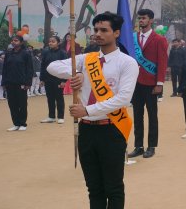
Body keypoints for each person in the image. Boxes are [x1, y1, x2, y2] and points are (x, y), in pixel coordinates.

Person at [47, 12, 139, 208]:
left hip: (112, 129)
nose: (98, 33)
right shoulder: (85, 59)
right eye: (96, 29)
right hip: (87, 131)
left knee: (113, 187)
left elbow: (123, 98)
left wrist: (87, 110)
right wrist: (76, 72)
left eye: (103, 30)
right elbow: (52, 67)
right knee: (93, 188)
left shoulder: (127, 63)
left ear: (116, 33)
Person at [127, 9, 168, 160]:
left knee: (152, 115)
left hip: (151, 83)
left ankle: (151, 146)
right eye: (139, 18)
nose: (141, 21)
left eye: (143, 18)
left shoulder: (159, 39)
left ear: (151, 20)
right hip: (136, 83)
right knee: (137, 115)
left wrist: (160, 83)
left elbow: (162, 62)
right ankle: (138, 146)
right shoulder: (133, 38)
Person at [2, 35, 34, 131]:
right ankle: (16, 123)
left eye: (16, 40)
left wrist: (28, 83)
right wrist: (4, 82)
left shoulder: (26, 54)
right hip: (10, 82)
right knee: (12, 104)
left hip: (22, 83)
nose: (13, 42)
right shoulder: (8, 53)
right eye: (12, 40)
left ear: (21, 42)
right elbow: (5, 69)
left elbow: (29, 69)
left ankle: (23, 124)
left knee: (22, 103)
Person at [40, 36, 69, 124]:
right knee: (50, 98)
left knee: (59, 97)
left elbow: (66, 67)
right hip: (48, 79)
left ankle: (60, 117)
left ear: (58, 43)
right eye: (49, 41)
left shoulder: (62, 53)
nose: (50, 43)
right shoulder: (45, 52)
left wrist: (64, 81)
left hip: (58, 79)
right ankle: (51, 116)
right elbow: (43, 66)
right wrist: (42, 79)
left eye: (53, 41)